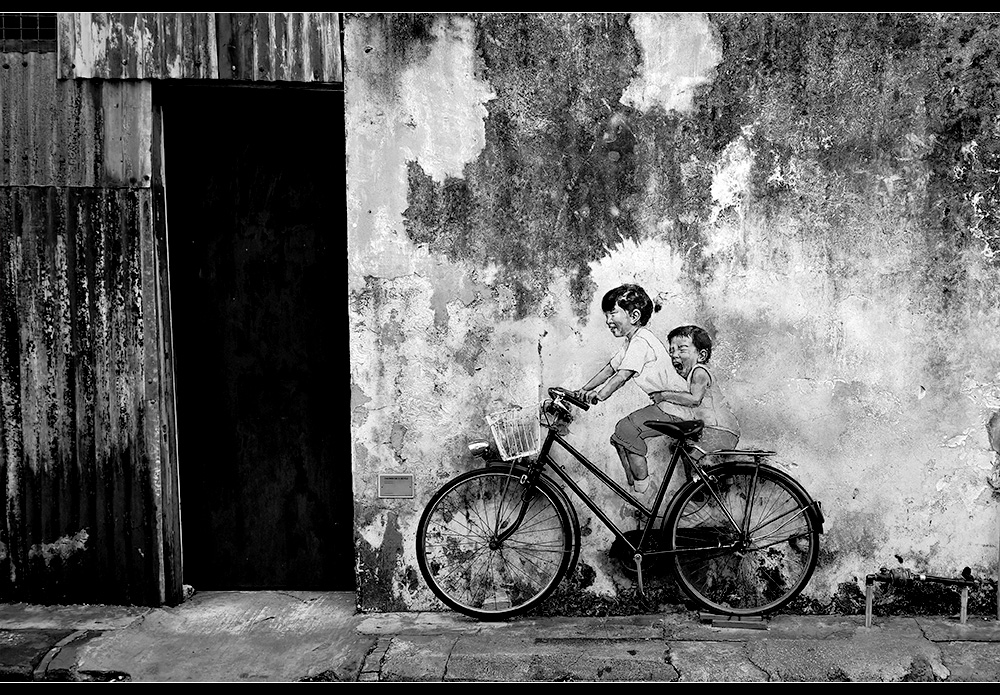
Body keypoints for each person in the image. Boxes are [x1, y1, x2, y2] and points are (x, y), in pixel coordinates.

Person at [573, 284, 688, 495]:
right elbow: (609, 369)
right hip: (667, 406)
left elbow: (622, 376)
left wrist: (599, 395)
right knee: (620, 438)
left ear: (634, 315)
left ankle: (644, 491)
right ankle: (634, 487)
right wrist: (580, 390)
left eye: (613, 313)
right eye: (606, 315)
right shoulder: (631, 342)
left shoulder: (642, 341)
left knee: (626, 429)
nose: (608, 321)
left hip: (675, 407)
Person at [650, 324, 740, 463]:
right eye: (671, 350)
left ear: (701, 355)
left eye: (682, 349)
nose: (674, 355)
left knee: (691, 458)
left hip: (719, 430)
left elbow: (694, 399)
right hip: (717, 430)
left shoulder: (699, 372)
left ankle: (700, 483)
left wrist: (664, 396)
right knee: (683, 452)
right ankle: (714, 483)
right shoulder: (694, 375)